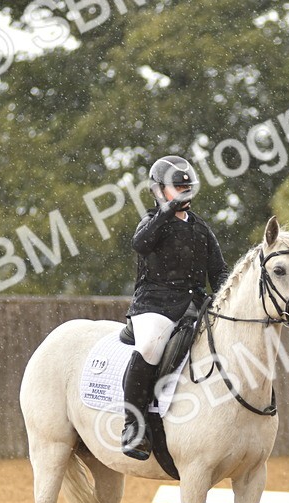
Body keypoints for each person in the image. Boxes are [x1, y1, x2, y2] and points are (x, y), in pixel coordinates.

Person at [121, 155, 230, 460]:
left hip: (193, 306)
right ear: (159, 191)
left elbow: (219, 272)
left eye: (187, 187)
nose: (184, 192)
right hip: (154, 305)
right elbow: (140, 244)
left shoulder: (201, 228)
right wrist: (166, 211)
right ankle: (133, 424)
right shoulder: (151, 222)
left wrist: (226, 297)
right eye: (177, 187)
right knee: (150, 346)